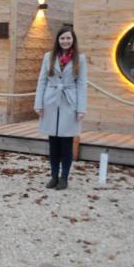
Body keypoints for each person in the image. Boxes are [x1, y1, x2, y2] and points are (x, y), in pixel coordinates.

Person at [34, 26, 88, 190]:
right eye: (62, 38)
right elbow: (42, 81)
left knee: (66, 143)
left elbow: (82, 84)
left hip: (69, 102)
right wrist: (39, 104)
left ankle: (64, 177)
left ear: (73, 40)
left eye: (68, 38)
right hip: (51, 102)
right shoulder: (49, 57)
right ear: (58, 40)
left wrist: (81, 108)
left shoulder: (80, 59)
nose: (65, 41)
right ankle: (53, 176)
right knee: (53, 143)